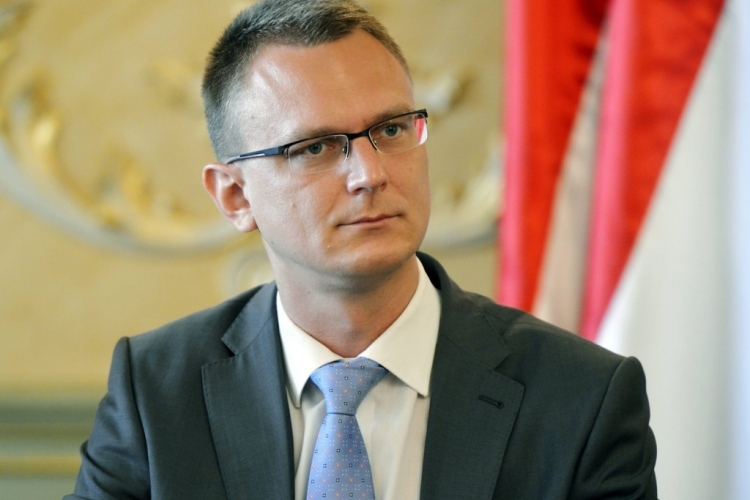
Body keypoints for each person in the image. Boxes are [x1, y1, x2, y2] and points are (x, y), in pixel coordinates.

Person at [66, 0, 657, 498]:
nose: (370, 174)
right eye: (316, 147)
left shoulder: (583, 398)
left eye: (391, 130)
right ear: (235, 196)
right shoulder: (155, 392)